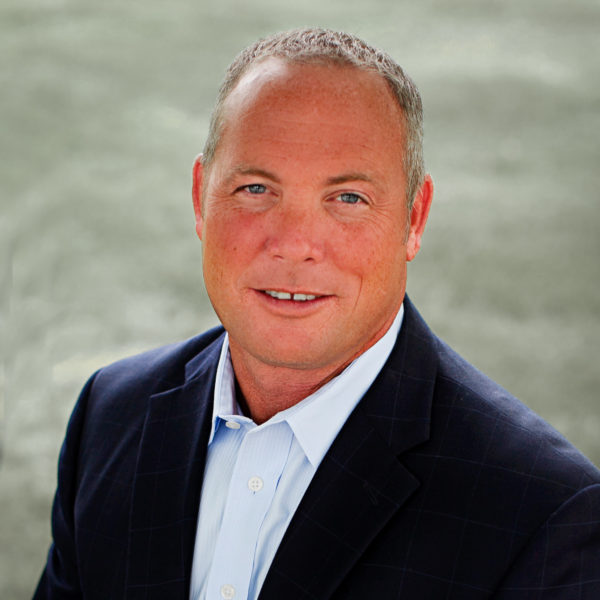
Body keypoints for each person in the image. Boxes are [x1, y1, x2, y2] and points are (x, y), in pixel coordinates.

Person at [34, 28, 600, 599]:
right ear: (201, 196)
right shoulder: (110, 419)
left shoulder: (544, 517)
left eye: (347, 198)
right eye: (256, 189)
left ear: (414, 218)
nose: (294, 243)